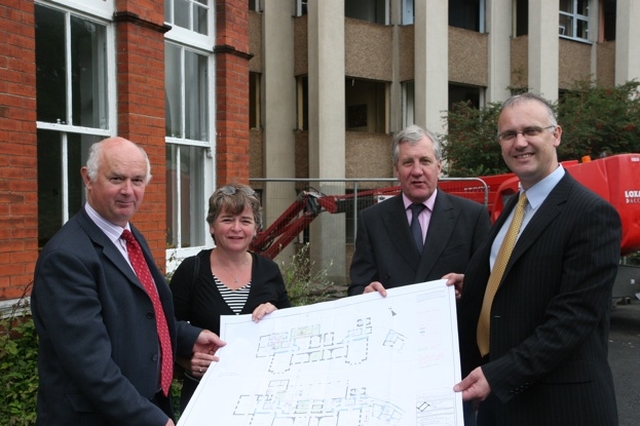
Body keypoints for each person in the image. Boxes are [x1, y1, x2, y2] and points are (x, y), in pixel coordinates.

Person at [31, 137, 226, 426]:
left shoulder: (129, 236)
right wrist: (153, 420)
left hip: (143, 405)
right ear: (88, 178)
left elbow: (142, 315)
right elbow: (90, 366)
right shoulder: (66, 257)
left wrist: (188, 337)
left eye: (137, 180)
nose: (128, 191)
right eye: (116, 178)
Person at [453, 92, 621, 425]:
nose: (520, 142)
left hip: (558, 406)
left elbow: (571, 320)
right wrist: (472, 283)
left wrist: (498, 376)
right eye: (508, 134)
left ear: (556, 135)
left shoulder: (591, 214)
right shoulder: (516, 206)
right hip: (502, 404)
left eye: (531, 131)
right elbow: (518, 279)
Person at [170, 183, 291, 411]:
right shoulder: (192, 270)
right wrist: (187, 361)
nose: (236, 228)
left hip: (260, 394)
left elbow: (292, 331)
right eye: (227, 219)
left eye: (245, 221)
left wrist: (277, 315)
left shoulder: (269, 271)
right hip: (205, 396)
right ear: (212, 227)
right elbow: (165, 328)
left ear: (256, 228)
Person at [348, 124, 491, 297]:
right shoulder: (372, 220)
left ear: (438, 167)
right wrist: (365, 293)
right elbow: (358, 287)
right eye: (408, 162)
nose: (417, 171)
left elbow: (489, 283)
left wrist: (467, 285)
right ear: (397, 170)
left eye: (425, 161)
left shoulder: (473, 216)